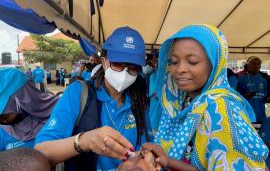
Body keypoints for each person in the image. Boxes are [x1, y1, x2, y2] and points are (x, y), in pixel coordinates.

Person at [141, 24, 268, 170]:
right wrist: (162, 158)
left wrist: (168, 161)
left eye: (192, 61)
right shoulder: (181, 101)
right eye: (174, 62)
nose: (180, 69)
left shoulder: (222, 110)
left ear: (214, 64)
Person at [35, 26, 152, 171]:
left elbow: (147, 143)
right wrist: (84, 141)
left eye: (132, 67)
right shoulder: (78, 93)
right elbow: (41, 151)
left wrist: (146, 157)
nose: (125, 73)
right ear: (104, 61)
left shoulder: (139, 100)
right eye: (117, 64)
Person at [0, 68, 58, 151]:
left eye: (4, 115)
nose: (3, 122)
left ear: (22, 99)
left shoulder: (59, 112)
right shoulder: (3, 132)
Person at [237, 56, 268, 122]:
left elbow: (265, 97)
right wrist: (245, 96)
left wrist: (267, 99)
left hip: (261, 116)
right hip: (247, 116)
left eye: (258, 64)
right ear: (248, 65)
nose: (256, 66)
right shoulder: (242, 79)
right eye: (253, 63)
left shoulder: (264, 80)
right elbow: (236, 97)